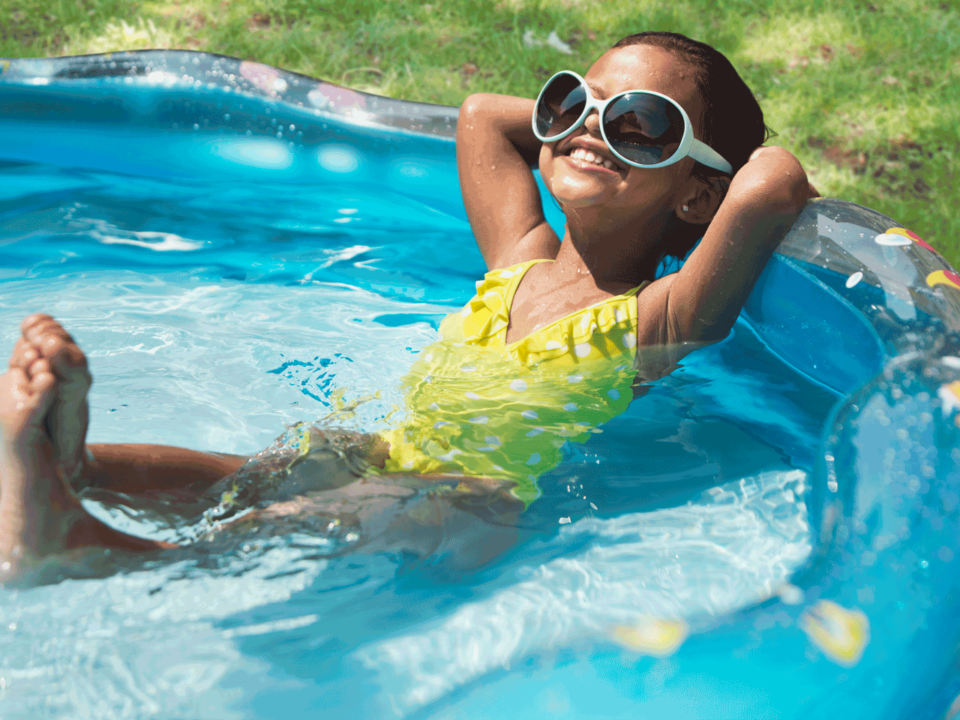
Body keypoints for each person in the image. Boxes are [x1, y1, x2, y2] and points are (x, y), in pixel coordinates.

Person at [0, 32, 813, 581]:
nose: (591, 128)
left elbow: (770, 180)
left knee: (391, 494)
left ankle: (99, 549)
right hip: (399, 452)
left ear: (700, 192)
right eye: (573, 103)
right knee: (299, 457)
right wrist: (599, 136)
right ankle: (72, 465)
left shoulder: (656, 317)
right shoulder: (519, 260)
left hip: (482, 506)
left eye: (642, 125)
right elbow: (481, 117)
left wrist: (660, 158)